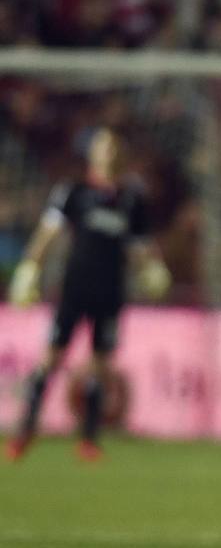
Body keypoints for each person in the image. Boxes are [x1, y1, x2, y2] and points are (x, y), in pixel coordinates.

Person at [6, 126, 170, 462]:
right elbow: (48, 232)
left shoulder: (130, 199)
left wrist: (151, 269)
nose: (107, 152)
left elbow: (139, 247)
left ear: (120, 153)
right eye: (101, 145)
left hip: (109, 292)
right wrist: (31, 267)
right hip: (74, 288)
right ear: (92, 153)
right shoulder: (74, 191)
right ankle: (25, 430)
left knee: (99, 365)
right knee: (50, 358)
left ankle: (89, 440)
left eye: (112, 146)